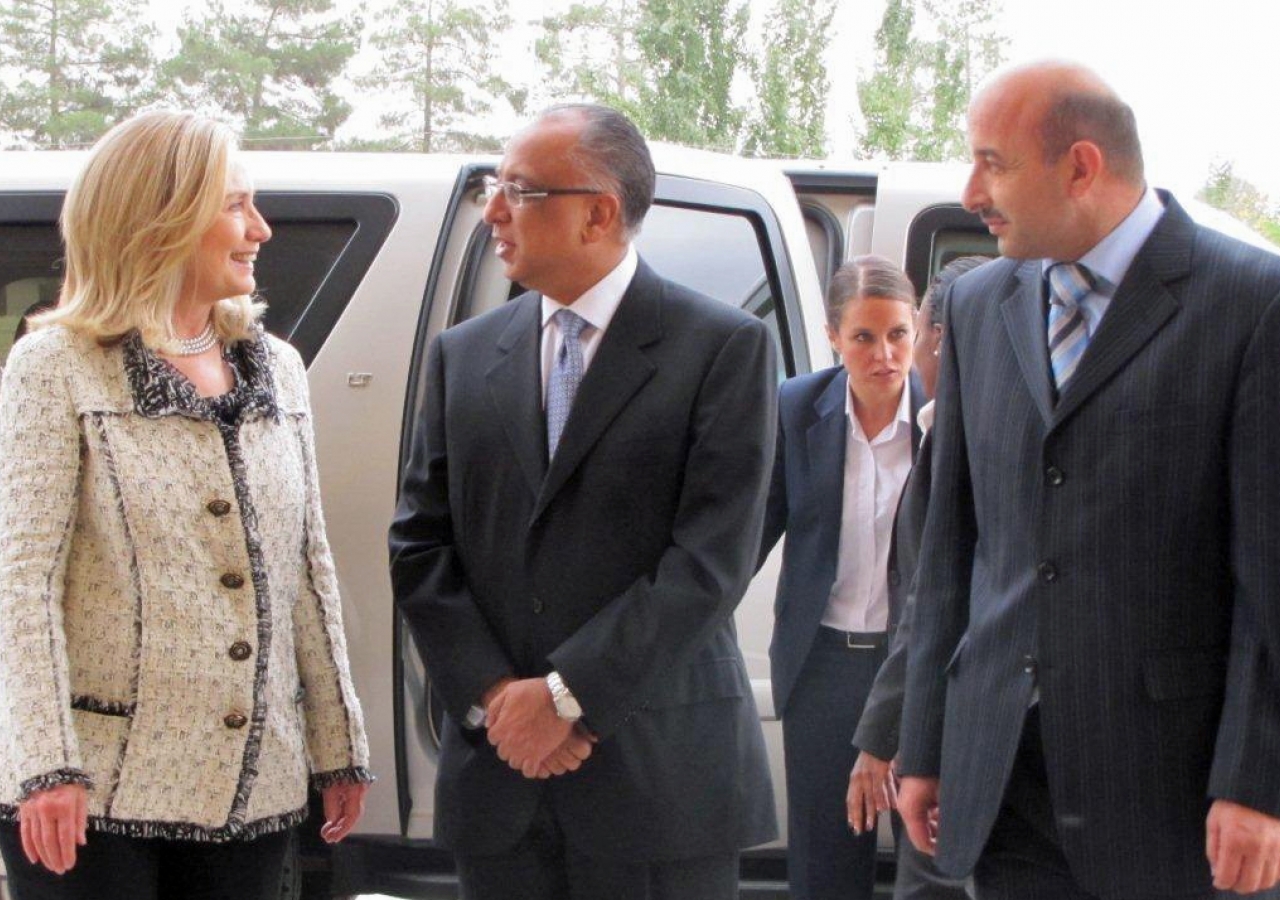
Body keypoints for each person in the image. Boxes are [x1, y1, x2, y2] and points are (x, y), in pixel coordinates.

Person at [895, 60, 1280, 899]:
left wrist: (1259, 780)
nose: (971, 190)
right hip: (1003, 780)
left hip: (1173, 795)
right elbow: (950, 550)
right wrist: (922, 741)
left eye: (992, 162)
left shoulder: (1254, 303)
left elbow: (1272, 574)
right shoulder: (975, 306)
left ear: (1080, 166)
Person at [387, 103, 777, 900]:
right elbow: (419, 546)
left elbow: (710, 561)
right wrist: (502, 701)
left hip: (658, 787)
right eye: (495, 187)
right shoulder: (463, 355)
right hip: (500, 788)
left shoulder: (722, 347)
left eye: (520, 191)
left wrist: (567, 696)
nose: (493, 210)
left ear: (599, 212)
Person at [0, 110, 372, 900]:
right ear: (159, 215)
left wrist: (339, 746)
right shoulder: (55, 366)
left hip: (254, 785)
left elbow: (306, 568)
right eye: (236, 205)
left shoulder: (279, 366)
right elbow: (21, 581)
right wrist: (45, 764)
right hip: (90, 792)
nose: (261, 229)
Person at [757, 255, 925, 900]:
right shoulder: (797, 408)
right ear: (833, 336)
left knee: (926, 848)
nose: (884, 354)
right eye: (863, 336)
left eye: (898, 334)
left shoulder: (948, 416)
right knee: (826, 860)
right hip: (821, 665)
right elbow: (754, 530)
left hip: (914, 667)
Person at [847, 256, 987, 900]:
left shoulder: (981, 439)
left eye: (908, 331)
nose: (895, 355)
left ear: (935, 335)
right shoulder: (946, 427)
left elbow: (937, 599)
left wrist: (883, 737)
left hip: (966, 728)